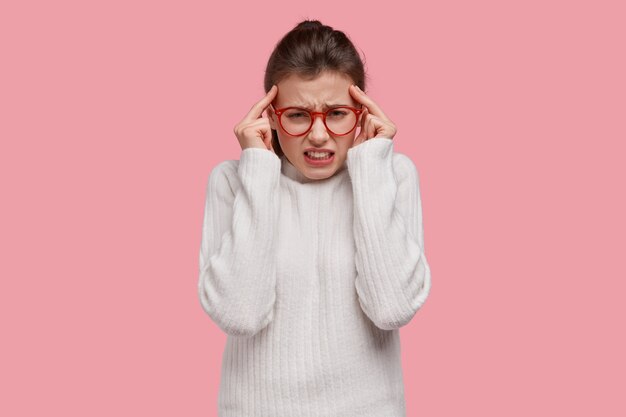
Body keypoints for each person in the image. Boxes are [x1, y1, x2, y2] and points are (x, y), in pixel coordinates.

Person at [198, 19, 431, 416]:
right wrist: (257, 166)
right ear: (270, 116)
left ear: (361, 114)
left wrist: (371, 166)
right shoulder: (233, 182)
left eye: (337, 113)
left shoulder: (391, 176)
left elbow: (393, 308)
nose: (319, 135)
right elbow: (240, 314)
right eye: (298, 115)